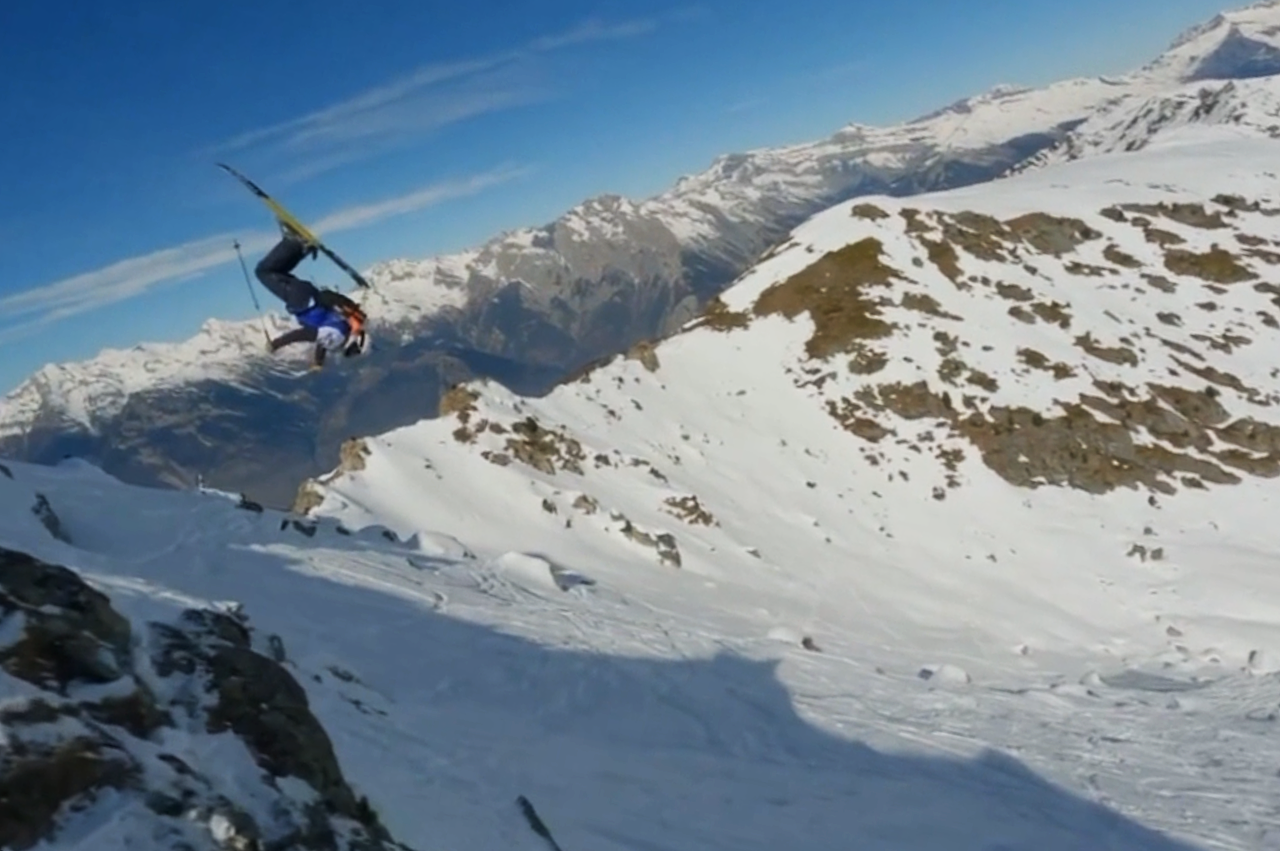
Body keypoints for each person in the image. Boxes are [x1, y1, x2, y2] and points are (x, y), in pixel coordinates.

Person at [255, 230, 369, 370]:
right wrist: (276, 344)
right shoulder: (337, 338)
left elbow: (321, 342)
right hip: (302, 301)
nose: (349, 353)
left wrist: (318, 362)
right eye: (352, 352)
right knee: (263, 272)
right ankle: (294, 243)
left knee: (278, 272)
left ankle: (300, 247)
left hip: (309, 296)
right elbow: (304, 334)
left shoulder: (343, 330)